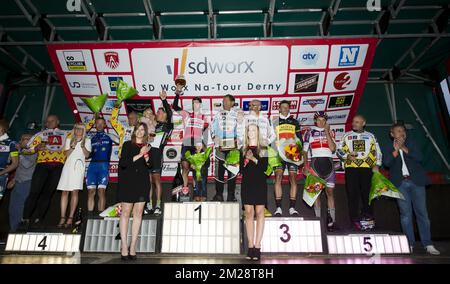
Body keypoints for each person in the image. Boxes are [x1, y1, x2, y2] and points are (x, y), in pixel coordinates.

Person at [382, 122, 440, 255]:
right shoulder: (387, 146)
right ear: (392, 134)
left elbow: (419, 157)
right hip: (400, 184)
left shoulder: (412, 143)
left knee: (422, 214)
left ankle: (428, 244)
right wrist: (396, 150)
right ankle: (409, 244)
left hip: (416, 182)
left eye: (403, 130)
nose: (402, 133)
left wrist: (404, 148)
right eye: (398, 131)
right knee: (405, 215)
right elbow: (386, 163)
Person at [21, 115, 68, 229]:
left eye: (52, 121)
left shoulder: (66, 134)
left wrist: (96, 113)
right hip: (42, 165)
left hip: (58, 166)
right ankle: (25, 219)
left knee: (48, 194)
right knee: (34, 192)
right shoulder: (40, 135)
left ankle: (39, 219)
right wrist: (36, 149)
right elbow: (25, 150)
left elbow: (84, 128)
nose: (50, 123)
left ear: (58, 122)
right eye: (47, 121)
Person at [337, 114, 382, 231]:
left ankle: (369, 218)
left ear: (363, 123)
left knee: (367, 193)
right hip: (351, 168)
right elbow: (339, 151)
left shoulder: (371, 136)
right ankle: (354, 220)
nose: (354, 124)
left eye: (357, 122)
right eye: (353, 121)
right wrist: (347, 156)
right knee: (352, 194)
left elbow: (378, 152)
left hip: (367, 168)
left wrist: (377, 164)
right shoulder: (347, 136)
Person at [172, 81, 212, 201]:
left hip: (197, 144)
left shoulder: (204, 117)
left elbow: (206, 133)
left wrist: (205, 146)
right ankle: (185, 188)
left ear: (200, 104)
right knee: (185, 167)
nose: (195, 104)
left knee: (197, 169)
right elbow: (174, 107)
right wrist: (178, 93)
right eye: (193, 102)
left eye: (197, 102)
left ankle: (197, 193)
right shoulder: (187, 114)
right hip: (187, 143)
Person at [117, 123, 151, 261]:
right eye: (138, 129)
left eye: (142, 130)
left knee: (138, 214)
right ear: (134, 131)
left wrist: (147, 159)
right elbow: (123, 163)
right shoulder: (127, 145)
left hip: (142, 183)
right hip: (128, 182)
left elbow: (150, 166)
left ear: (145, 132)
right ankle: (124, 246)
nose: (140, 132)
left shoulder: (148, 146)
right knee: (125, 213)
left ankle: (133, 246)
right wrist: (140, 154)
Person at [238, 100, 275, 217]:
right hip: (249, 147)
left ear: (260, 107)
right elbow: (240, 133)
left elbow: (273, 134)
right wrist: (243, 146)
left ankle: (264, 208)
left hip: (262, 149)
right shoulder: (246, 118)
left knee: (262, 176)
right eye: (250, 106)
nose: (251, 107)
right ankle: (247, 209)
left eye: (254, 105)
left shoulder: (266, 119)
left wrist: (266, 142)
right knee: (248, 176)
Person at [303, 111, 337, 231]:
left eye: (323, 120)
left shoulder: (331, 132)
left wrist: (327, 132)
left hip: (329, 163)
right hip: (315, 164)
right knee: (316, 193)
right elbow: (305, 151)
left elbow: (333, 148)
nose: (321, 122)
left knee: (330, 193)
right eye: (319, 120)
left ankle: (332, 221)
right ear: (315, 121)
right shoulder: (309, 132)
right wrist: (306, 166)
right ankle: (318, 220)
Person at [241, 123, 268, 261]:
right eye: (249, 130)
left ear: (258, 132)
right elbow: (241, 169)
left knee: (259, 213)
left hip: (260, 184)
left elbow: (264, 167)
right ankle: (250, 246)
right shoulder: (243, 149)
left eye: (253, 130)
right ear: (246, 133)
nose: (251, 132)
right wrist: (245, 159)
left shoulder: (264, 148)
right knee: (249, 214)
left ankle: (258, 246)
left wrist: (253, 159)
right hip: (247, 184)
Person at [271, 100, 302, 217]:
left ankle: (292, 208)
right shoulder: (274, 121)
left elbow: (299, 138)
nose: (284, 109)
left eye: (286, 107)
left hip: (292, 153)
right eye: (282, 107)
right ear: (279, 109)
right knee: (278, 177)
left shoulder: (295, 122)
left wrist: (299, 154)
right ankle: (278, 208)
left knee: (293, 179)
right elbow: (271, 139)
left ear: (289, 109)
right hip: (279, 154)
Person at [57, 123, 91, 228]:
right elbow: (66, 154)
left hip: (78, 167)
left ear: (83, 131)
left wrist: (82, 146)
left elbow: (87, 155)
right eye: (76, 129)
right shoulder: (69, 140)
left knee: (74, 192)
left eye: (80, 129)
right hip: (68, 166)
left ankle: (70, 217)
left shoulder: (87, 141)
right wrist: (73, 145)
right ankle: (62, 216)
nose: (78, 131)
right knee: (64, 192)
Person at [145, 90, 173, 215]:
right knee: (148, 181)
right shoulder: (153, 126)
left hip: (157, 155)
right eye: (158, 112)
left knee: (156, 180)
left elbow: (170, 112)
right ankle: (149, 204)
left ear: (166, 115)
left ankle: (158, 205)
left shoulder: (168, 125)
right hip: (147, 154)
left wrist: (163, 100)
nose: (158, 113)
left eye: (161, 112)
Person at [211, 94, 240, 202]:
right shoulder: (218, 114)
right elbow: (212, 126)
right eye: (223, 101)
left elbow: (241, 128)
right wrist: (214, 136)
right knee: (219, 172)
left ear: (232, 103)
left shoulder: (237, 114)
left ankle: (231, 195)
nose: (224, 103)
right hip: (221, 147)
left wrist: (239, 139)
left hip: (233, 147)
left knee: (232, 172)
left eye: (226, 101)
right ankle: (219, 194)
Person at [85, 116, 116, 215]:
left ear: (104, 125)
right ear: (95, 125)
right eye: (97, 123)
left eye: (101, 123)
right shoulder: (91, 138)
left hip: (103, 165)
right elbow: (88, 154)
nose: (99, 125)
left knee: (101, 191)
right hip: (92, 166)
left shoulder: (109, 136)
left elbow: (122, 139)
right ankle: (89, 216)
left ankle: (100, 216)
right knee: (91, 192)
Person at [8, 133, 36, 232]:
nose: (26, 141)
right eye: (24, 139)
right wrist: (14, 179)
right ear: (20, 141)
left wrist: (19, 152)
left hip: (28, 182)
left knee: (22, 207)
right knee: (13, 208)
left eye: (28, 139)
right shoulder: (19, 151)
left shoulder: (33, 151)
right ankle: (13, 230)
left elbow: (27, 164)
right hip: (18, 182)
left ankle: (20, 231)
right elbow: (14, 164)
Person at [0, 119, 19, 200]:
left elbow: (15, 164)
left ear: (3, 129)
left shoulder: (11, 143)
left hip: (1, 176)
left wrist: (1, 173)